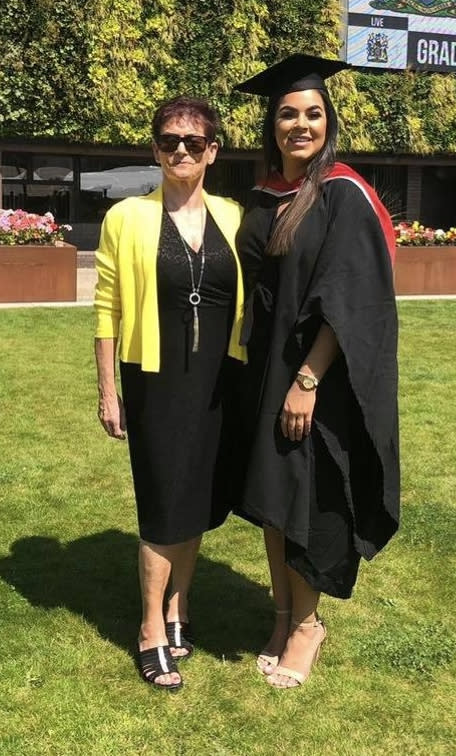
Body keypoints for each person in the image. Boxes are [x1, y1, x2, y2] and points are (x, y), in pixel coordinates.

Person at [233, 55, 400, 689]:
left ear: (329, 122)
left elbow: (350, 296)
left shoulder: (343, 194)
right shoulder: (267, 193)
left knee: (306, 502)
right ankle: (281, 615)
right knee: (273, 500)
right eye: (286, 114)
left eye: (312, 114)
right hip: (266, 370)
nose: (299, 125)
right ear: (271, 124)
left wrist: (307, 380)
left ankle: (308, 626)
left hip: (315, 379)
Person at [94, 96, 246, 691]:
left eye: (193, 141)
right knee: (163, 503)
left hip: (218, 379)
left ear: (213, 151)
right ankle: (151, 628)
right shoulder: (126, 217)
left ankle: (181, 607)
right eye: (167, 141)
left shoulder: (235, 216)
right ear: (154, 148)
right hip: (154, 379)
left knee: (197, 498)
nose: (179, 150)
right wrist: (108, 390)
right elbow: (106, 308)